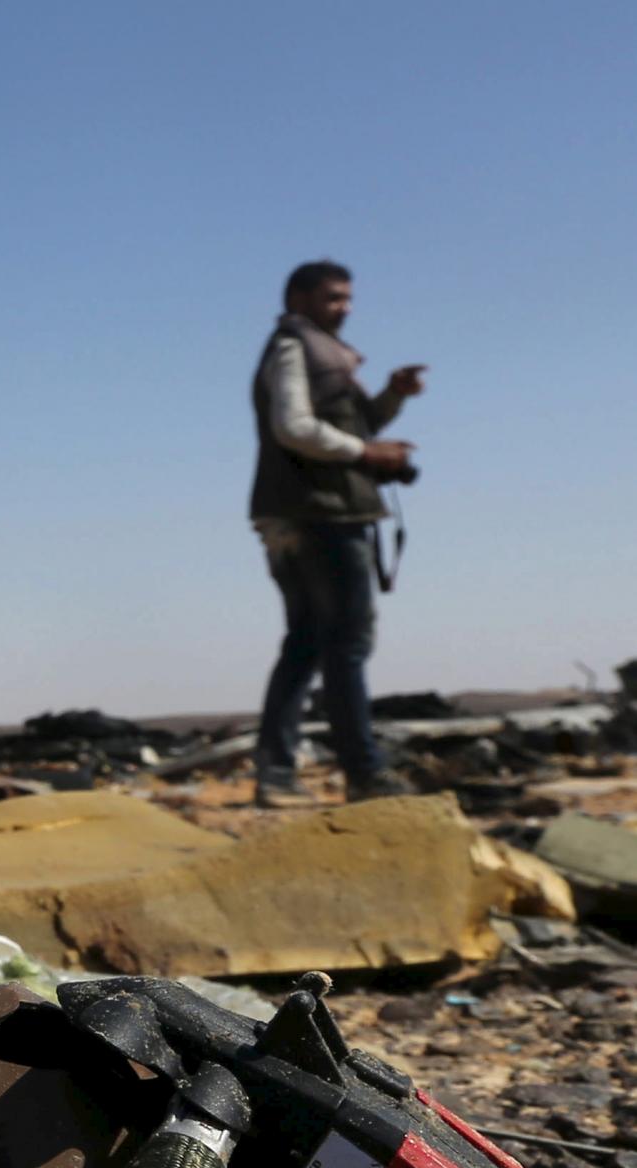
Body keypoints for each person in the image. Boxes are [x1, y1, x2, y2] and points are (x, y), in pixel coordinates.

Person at [248, 260, 427, 806]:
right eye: (332, 298)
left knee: (306, 643)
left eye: (348, 298)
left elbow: (351, 427)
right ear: (299, 298)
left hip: (309, 511)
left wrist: (392, 398)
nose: (344, 307)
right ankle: (366, 774)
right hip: (317, 515)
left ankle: (277, 775)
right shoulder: (293, 347)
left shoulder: (319, 352)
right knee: (347, 642)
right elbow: (295, 428)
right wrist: (368, 453)